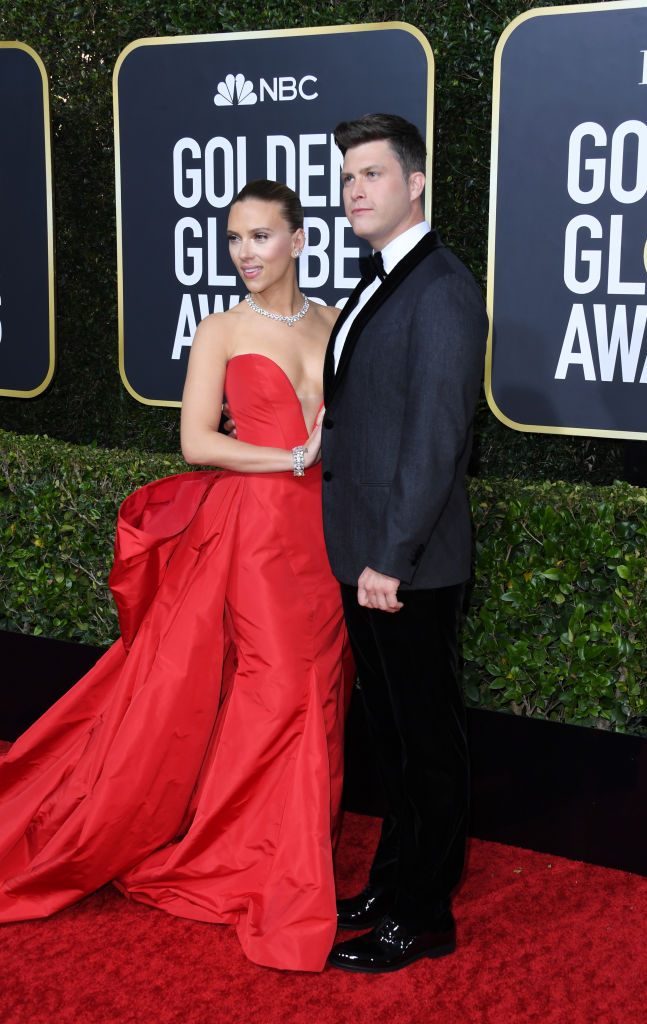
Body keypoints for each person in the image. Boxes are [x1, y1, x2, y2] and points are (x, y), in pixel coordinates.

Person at [0, 179, 353, 973]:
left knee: (322, 684)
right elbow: (197, 442)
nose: (245, 254)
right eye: (234, 240)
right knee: (279, 683)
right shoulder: (221, 330)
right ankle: (258, 861)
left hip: (324, 534)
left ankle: (279, 847)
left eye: (260, 237)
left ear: (298, 240)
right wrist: (291, 456)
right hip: (259, 530)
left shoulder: (334, 322)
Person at [321, 114, 487, 973]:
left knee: (427, 741)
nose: (355, 190)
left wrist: (389, 557)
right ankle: (393, 881)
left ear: (414, 184)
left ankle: (426, 913)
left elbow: (434, 439)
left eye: (373, 174)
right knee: (388, 736)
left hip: (405, 564)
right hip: (364, 555)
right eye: (347, 176)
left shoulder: (442, 289)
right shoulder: (375, 282)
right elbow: (367, 414)